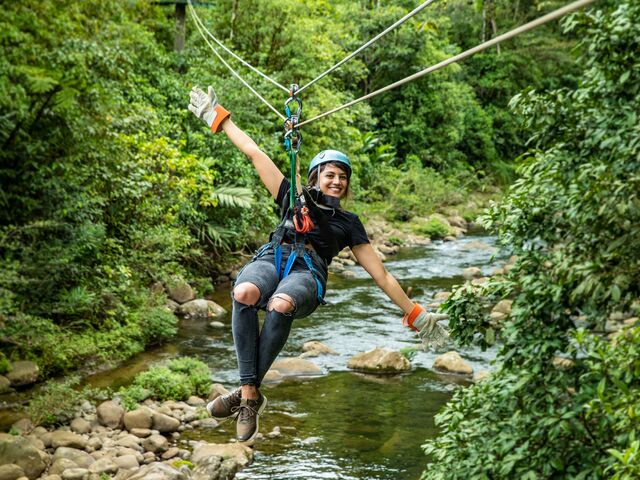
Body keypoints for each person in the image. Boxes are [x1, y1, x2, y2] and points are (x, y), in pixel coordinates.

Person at [188, 86, 447, 442]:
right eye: (330, 175)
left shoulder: (349, 223)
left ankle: (246, 395)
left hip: (308, 273)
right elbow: (254, 153)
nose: (337, 181)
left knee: (281, 304)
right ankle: (251, 394)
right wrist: (217, 115)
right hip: (273, 258)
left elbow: (381, 275)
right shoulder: (292, 196)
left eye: (343, 177)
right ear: (314, 177)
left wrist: (416, 315)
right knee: (244, 291)